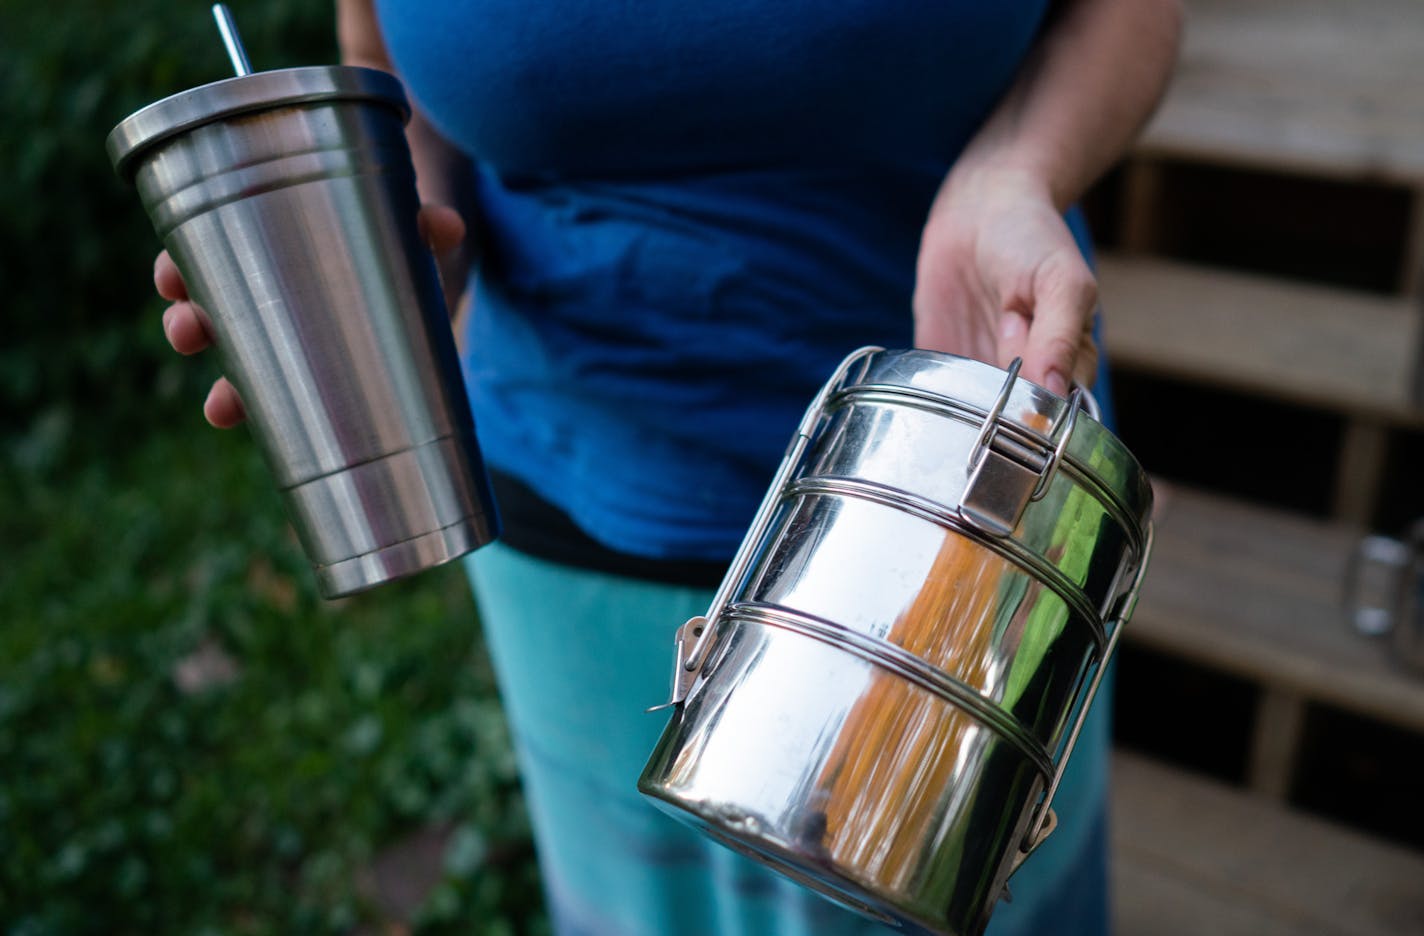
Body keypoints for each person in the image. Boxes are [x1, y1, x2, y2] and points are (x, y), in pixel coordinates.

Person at [155, 1, 1182, 933]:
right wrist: (371, 253)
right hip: (565, 521)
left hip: (959, 521)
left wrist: (1016, 169)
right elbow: (390, 61)